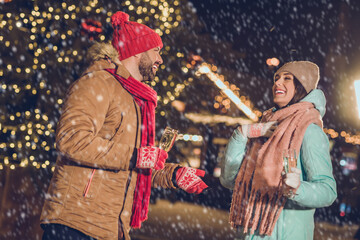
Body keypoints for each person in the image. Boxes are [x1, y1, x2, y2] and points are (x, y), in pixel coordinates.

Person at [40, 11, 208, 240]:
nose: (160, 60)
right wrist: (137, 156)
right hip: (76, 223)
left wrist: (174, 174)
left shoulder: (136, 100)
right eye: (156, 51)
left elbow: (133, 163)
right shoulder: (98, 83)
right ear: (138, 52)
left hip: (112, 227)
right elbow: (72, 140)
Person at [220, 61, 337, 239]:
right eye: (276, 78)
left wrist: (297, 189)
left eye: (287, 78)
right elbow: (229, 180)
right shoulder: (265, 126)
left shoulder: (309, 130)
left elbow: (328, 191)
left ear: (300, 87)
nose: (277, 83)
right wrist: (242, 134)